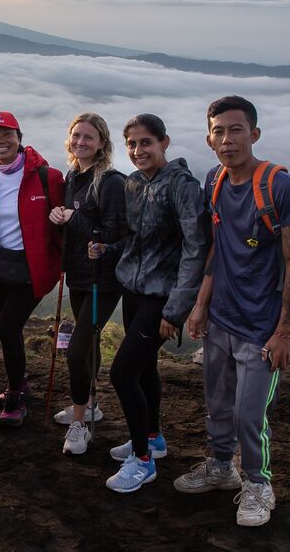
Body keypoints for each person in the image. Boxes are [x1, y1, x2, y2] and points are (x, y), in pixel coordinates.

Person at [177, 96, 290, 527]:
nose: (227, 139)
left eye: (236, 130)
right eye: (218, 131)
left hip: (263, 325)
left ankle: (259, 483)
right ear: (209, 138)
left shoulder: (280, 188)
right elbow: (219, 248)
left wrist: (285, 331)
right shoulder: (215, 179)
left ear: (254, 134)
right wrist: (200, 306)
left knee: (249, 415)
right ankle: (220, 467)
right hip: (222, 318)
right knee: (217, 403)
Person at [90, 114, 210, 492]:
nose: (138, 150)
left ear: (164, 142)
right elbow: (136, 240)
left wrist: (177, 309)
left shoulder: (182, 186)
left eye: (146, 142)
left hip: (162, 297)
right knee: (143, 370)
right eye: (132, 144)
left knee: (121, 373)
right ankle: (153, 439)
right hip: (133, 289)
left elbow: (196, 249)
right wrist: (109, 249)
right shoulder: (134, 184)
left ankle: (142, 461)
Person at [0, 111, 64, 427]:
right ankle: (21, 381)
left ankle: (15, 396)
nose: (0, 141)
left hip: (33, 270)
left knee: (7, 330)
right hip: (1, 267)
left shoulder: (48, 177)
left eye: (6, 134)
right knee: (8, 330)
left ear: (19, 137)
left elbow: (63, 220)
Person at [47, 113, 126, 454]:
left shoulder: (110, 182)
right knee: (88, 340)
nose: (81, 142)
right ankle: (90, 403)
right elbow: (75, 220)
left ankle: (80, 423)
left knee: (77, 349)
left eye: (88, 137)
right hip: (79, 275)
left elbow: (115, 232)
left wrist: (72, 218)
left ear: (102, 144)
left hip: (103, 280)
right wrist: (58, 216)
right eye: (76, 136)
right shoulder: (73, 175)